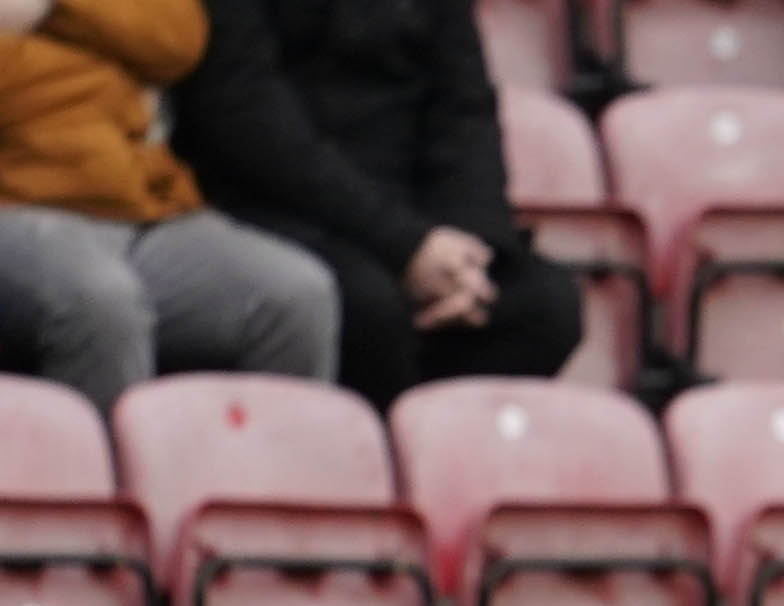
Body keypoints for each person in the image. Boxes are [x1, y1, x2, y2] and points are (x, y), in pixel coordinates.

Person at [168, 0, 581, 410]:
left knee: (544, 307)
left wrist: (468, 254)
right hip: (282, 208)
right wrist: (405, 244)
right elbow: (247, 115)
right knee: (368, 308)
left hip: (415, 222)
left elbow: (465, 109)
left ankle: (433, 444)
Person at [0, 0, 337, 411]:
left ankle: (265, 455)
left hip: (142, 204)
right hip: (18, 209)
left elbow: (176, 37)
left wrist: (54, 7)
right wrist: (109, 42)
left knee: (296, 296)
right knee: (103, 303)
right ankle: (102, 455)